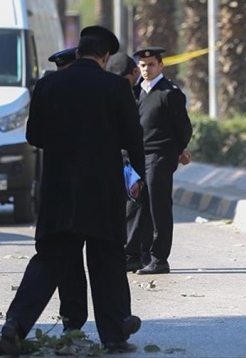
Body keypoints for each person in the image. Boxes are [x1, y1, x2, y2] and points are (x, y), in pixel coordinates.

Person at [0, 26, 146, 355]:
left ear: (78, 52)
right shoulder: (115, 87)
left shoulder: (49, 84)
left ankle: (15, 325)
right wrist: (140, 176)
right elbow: (132, 139)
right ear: (105, 57)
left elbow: (34, 135)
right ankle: (113, 337)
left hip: (58, 192)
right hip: (102, 192)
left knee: (49, 260)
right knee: (106, 260)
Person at [126, 47, 193, 275]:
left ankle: (159, 258)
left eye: (151, 64)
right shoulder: (138, 92)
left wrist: (178, 150)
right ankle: (139, 255)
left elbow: (183, 128)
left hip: (160, 156)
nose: (147, 69)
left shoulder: (169, 92)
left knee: (158, 206)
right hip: (139, 156)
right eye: (143, 65)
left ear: (161, 66)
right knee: (138, 204)